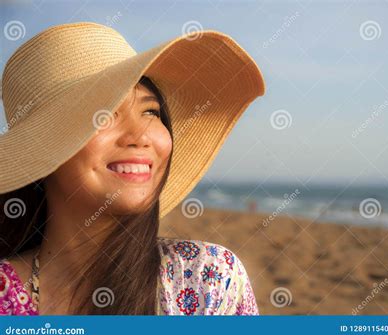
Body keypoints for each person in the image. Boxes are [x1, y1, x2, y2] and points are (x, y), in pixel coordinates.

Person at [0, 22, 265, 315]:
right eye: (103, 114)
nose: (140, 136)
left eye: (151, 111)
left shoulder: (208, 279)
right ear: (38, 151)